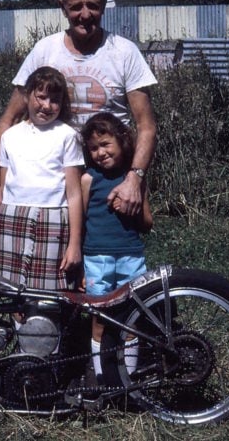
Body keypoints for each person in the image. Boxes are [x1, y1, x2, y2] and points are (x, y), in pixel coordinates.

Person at [0, 0, 157, 225]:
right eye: (76, 7)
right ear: (63, 7)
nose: (85, 15)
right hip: (54, 175)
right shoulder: (45, 51)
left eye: (93, 6)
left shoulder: (124, 52)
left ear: (104, 4)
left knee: (115, 250)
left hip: (110, 174)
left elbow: (146, 126)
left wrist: (134, 178)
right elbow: (8, 120)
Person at [0, 66, 84, 291]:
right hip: (12, 218)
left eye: (55, 100)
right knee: (9, 292)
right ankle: (14, 326)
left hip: (53, 220)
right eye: (41, 97)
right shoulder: (10, 136)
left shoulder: (68, 136)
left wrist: (74, 243)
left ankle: (47, 327)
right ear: (27, 96)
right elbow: (4, 184)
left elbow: (75, 194)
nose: (47, 106)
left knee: (48, 296)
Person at [80, 112, 153, 378]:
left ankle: (129, 378)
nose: (100, 152)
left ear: (122, 141)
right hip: (96, 258)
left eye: (105, 144)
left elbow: (147, 223)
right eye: (93, 148)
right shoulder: (88, 179)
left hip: (130, 257)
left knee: (132, 317)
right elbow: (79, 222)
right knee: (98, 317)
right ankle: (102, 378)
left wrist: (129, 210)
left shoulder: (135, 180)